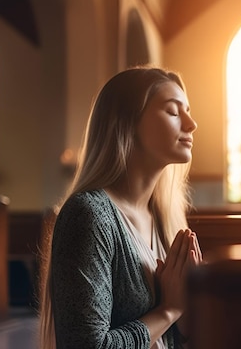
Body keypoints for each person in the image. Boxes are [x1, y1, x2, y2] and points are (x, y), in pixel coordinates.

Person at [39, 66, 203, 349]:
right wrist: (169, 310)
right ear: (127, 122)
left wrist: (191, 308)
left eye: (187, 111)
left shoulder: (166, 219)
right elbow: (88, 346)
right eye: (173, 112)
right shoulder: (89, 215)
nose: (191, 124)